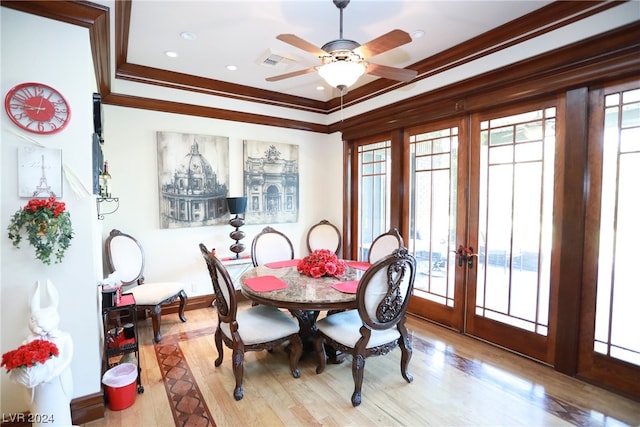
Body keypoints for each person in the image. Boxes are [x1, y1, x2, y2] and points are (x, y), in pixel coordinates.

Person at [10, 280, 74, 427]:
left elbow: (66, 358)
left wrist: (53, 373)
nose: (42, 325)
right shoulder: (28, 342)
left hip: (58, 382)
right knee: (40, 414)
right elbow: (21, 360)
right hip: (38, 388)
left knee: (60, 411)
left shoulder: (64, 338)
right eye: (34, 320)